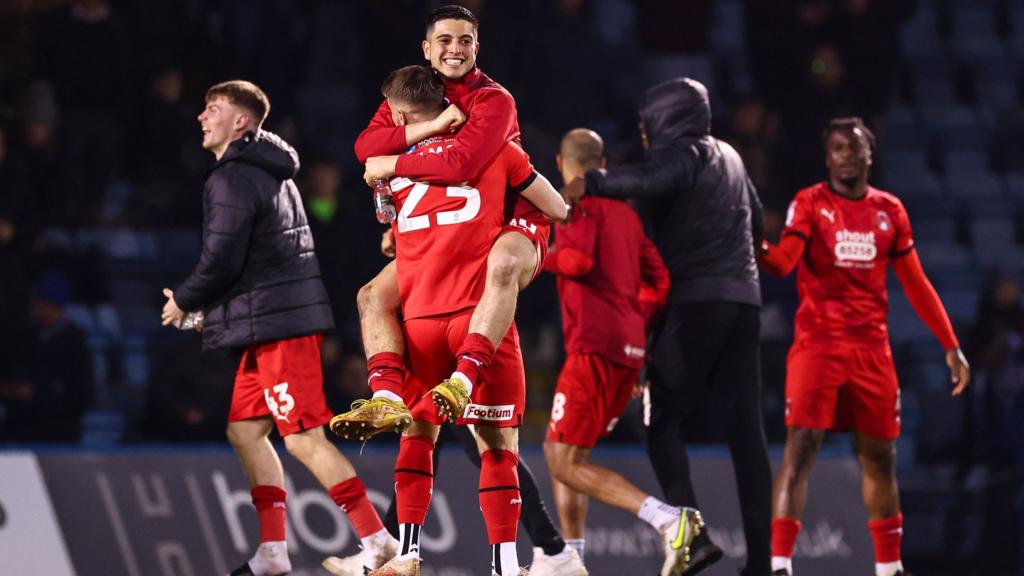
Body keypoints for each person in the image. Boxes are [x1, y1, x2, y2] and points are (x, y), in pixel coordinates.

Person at [324, 64, 579, 576]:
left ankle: (406, 548)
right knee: (497, 449)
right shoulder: (493, 148)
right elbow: (558, 207)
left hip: (419, 315)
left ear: (399, 113)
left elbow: (390, 214)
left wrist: (393, 170)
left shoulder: (389, 166)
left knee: (417, 433)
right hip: (476, 315)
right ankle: (511, 563)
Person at [159, 80, 393, 576]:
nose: (201, 116)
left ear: (240, 121)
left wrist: (184, 300)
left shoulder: (232, 177)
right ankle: (272, 553)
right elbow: (255, 261)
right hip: (264, 324)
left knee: (304, 439)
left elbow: (222, 260)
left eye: (212, 108)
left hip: (280, 326)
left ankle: (377, 541)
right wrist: (209, 314)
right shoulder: (267, 171)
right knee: (245, 431)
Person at [561, 77, 772, 576]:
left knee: (660, 423)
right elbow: (759, 223)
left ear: (665, 119)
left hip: (697, 301)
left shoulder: (688, 152)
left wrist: (592, 182)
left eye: (647, 125)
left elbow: (650, 181)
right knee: (747, 435)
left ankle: (691, 537)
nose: (647, 135)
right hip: (745, 303)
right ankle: (761, 565)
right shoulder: (732, 156)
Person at [757, 117, 970, 576]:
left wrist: (950, 345)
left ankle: (889, 568)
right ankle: (779, 565)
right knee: (802, 449)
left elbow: (916, 283)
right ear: (827, 157)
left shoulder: (890, 210)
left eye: (854, 147)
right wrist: (753, 242)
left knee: (879, 458)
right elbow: (782, 265)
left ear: (870, 154)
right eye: (837, 148)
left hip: (872, 350)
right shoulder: (810, 203)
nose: (847, 155)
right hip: (818, 345)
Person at [544, 128, 707, 575]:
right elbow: (660, 282)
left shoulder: (573, 205)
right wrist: (636, 327)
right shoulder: (628, 215)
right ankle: (572, 557)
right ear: (605, 165)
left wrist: (537, 255)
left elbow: (577, 262)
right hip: (628, 351)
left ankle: (668, 518)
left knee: (559, 459)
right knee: (570, 455)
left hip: (593, 347)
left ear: (562, 163)